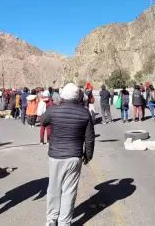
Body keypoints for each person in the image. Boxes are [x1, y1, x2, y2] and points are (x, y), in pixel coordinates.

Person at [42, 83, 95, 226]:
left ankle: (51, 220)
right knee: (69, 191)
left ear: (62, 96)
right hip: (74, 156)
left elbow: (43, 120)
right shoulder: (85, 113)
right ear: (78, 97)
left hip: (55, 156)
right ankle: (64, 222)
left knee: (53, 188)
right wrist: (88, 155)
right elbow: (90, 137)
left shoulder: (53, 110)